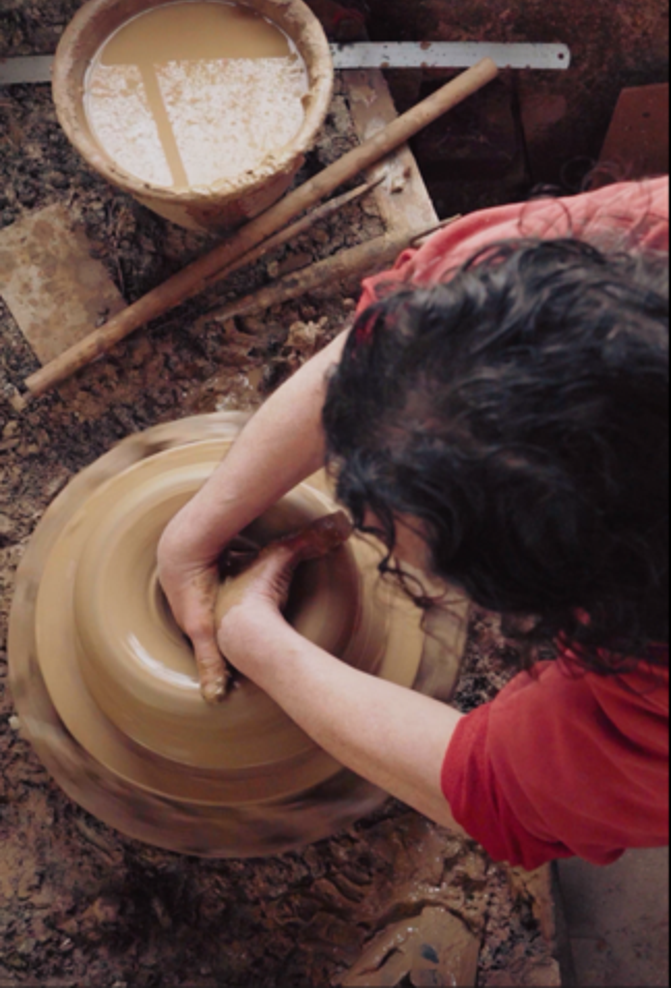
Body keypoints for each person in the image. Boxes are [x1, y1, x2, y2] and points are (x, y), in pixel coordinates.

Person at [157, 176, 668, 870]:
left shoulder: (654, 702)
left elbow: (501, 789)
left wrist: (256, 640)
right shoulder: (623, 238)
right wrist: (193, 534)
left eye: (419, 554)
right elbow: (396, 335)